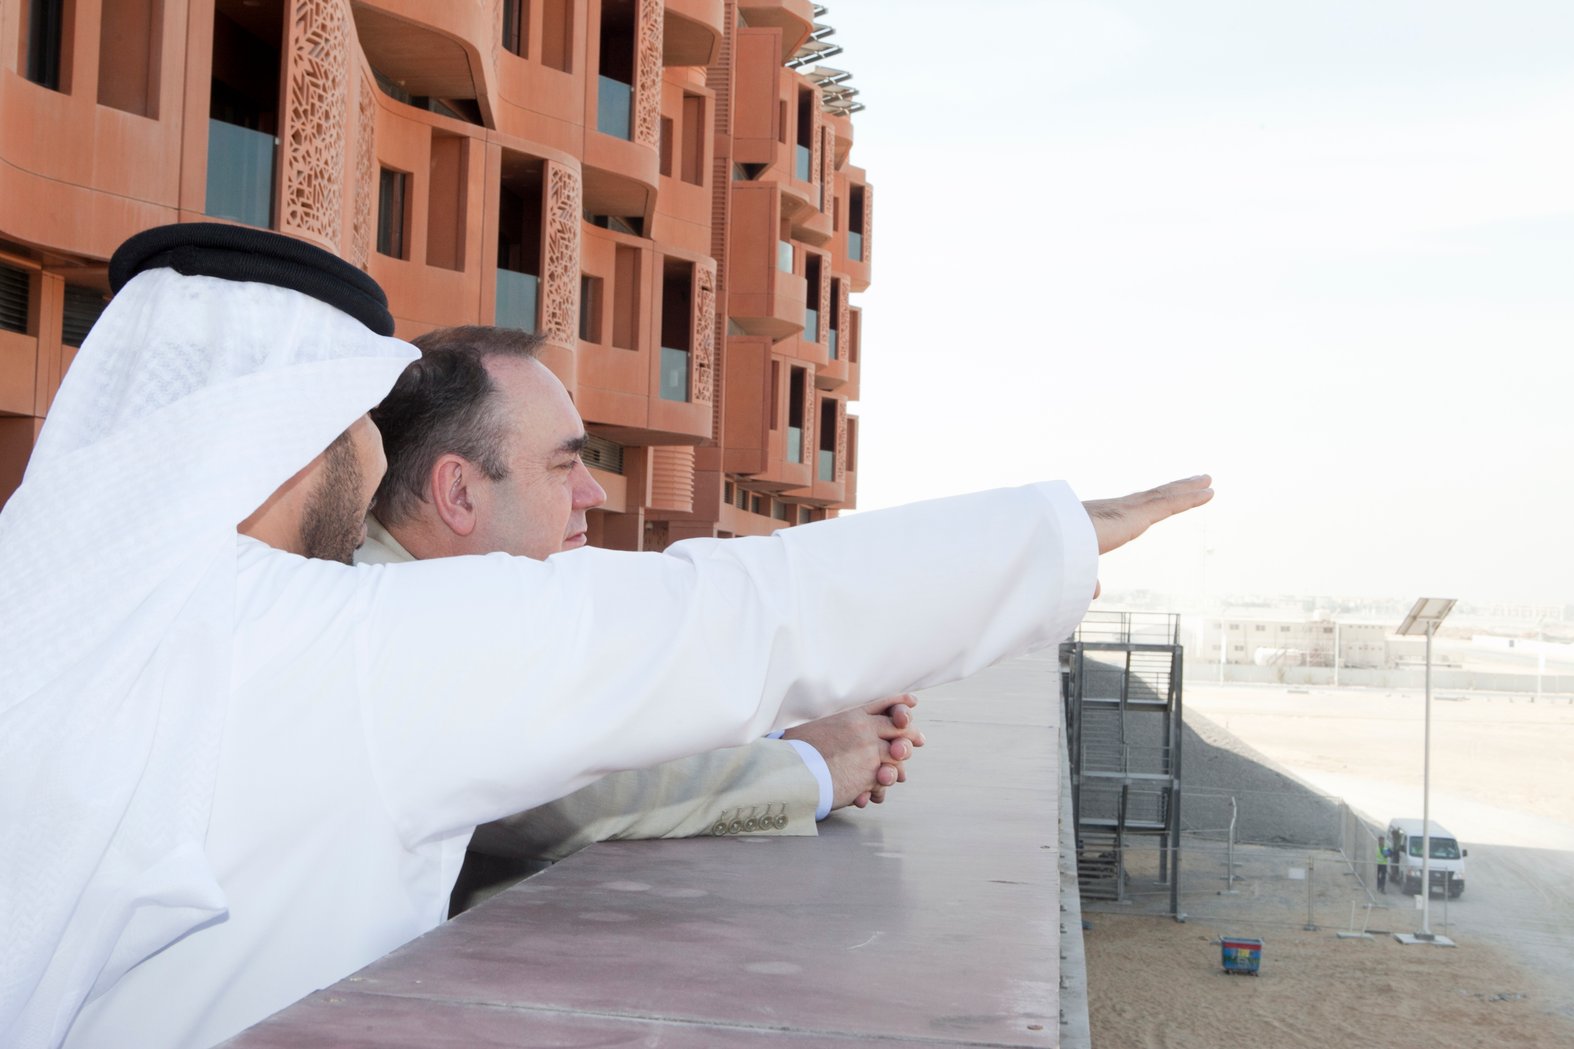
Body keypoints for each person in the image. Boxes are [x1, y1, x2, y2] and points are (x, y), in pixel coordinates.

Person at [0, 222, 1212, 1049]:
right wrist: (1062, 532)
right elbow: (731, 615)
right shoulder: (321, 646)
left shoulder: (53, 605)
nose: (375, 463)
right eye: (358, 427)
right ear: (307, 433)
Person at [360, 325, 925, 904]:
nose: (593, 492)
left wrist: (785, 717)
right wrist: (814, 766)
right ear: (458, 493)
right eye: (563, 465)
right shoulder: (382, 622)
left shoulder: (463, 592)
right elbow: (549, 795)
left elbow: (634, 676)